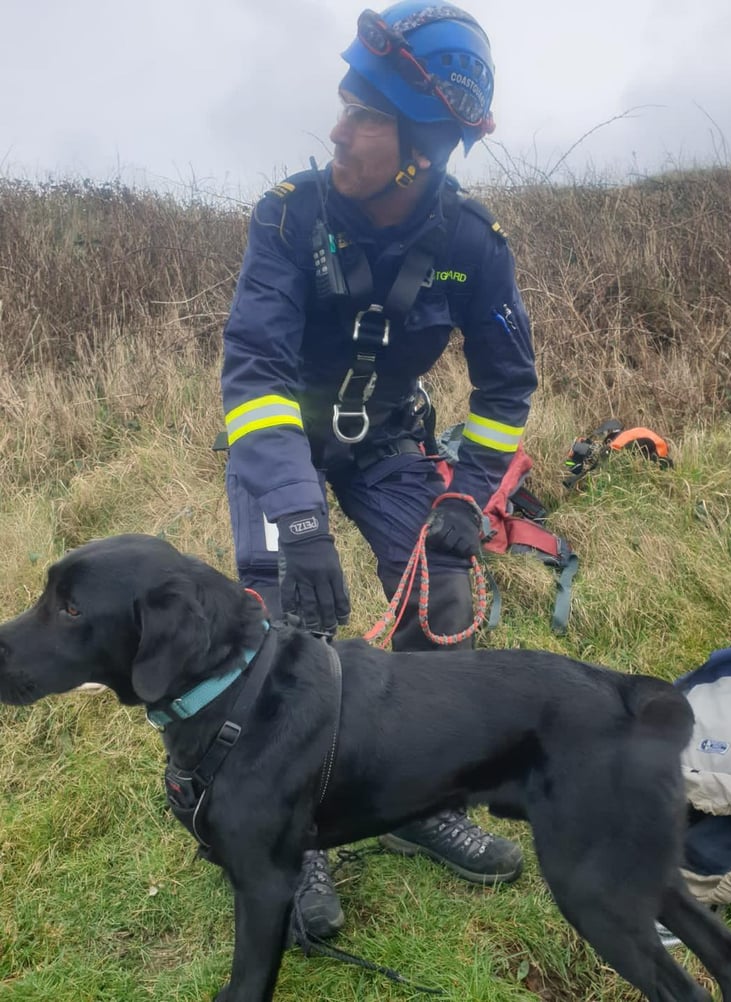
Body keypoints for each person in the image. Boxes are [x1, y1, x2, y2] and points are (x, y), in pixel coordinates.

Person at [221, 0, 538, 942]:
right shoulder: (289, 215)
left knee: (443, 597)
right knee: (280, 614)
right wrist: (298, 518)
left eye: (363, 116)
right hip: (284, 445)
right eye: (344, 107)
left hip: (388, 442)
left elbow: (506, 388)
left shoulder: (472, 246)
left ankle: (413, 798)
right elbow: (255, 376)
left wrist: (467, 501)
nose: (337, 131)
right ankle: (290, 828)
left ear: (420, 150)